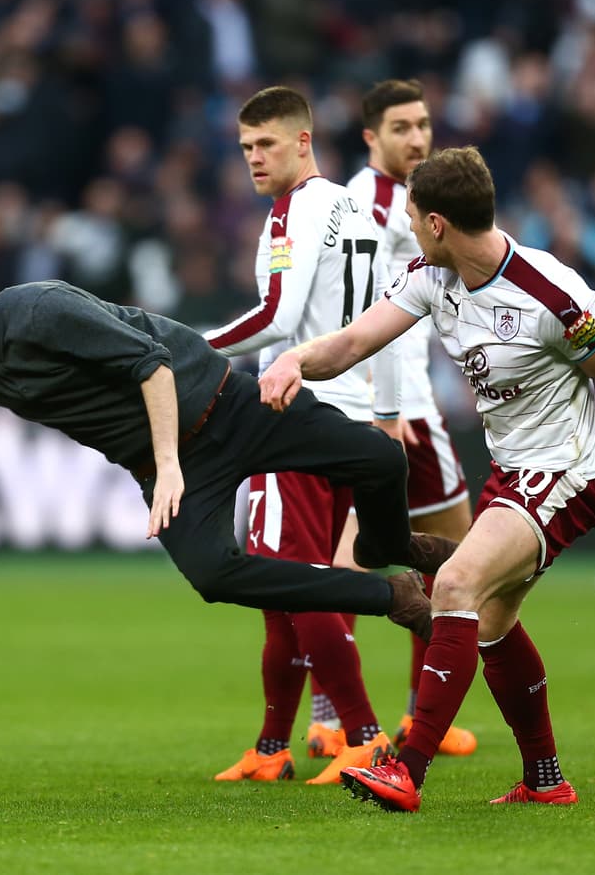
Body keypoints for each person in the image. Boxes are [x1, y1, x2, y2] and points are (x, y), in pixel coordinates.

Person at [259, 146, 595, 812]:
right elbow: (350, 344)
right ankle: (545, 780)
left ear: (436, 223)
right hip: (513, 474)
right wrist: (293, 362)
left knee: (454, 583)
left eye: (410, 216)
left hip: (567, 472)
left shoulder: (553, 294)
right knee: (489, 623)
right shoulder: (432, 277)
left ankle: (407, 770)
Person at [0, 251, 456, 647]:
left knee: (382, 459)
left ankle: (387, 547)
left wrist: (168, 468)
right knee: (214, 575)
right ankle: (394, 596)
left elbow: (152, 367)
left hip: (227, 407)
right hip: (171, 460)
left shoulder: (42, 309)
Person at [201, 85, 403, 786]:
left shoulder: (294, 211)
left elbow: (279, 321)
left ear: (303, 142)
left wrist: (192, 350)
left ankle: (367, 736)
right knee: (284, 589)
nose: (255, 159)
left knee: (300, 585)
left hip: (293, 417)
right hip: (346, 416)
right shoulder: (357, 210)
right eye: (246, 148)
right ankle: (270, 745)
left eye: (267, 145)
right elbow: (382, 318)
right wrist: (385, 409)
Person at [304, 79, 479, 759]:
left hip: (383, 400)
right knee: (452, 557)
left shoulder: (404, 203)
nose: (418, 138)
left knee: (353, 556)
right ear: (371, 135)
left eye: (425, 125)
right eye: (402, 127)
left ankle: (363, 717)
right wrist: (391, 408)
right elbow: (371, 322)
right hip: (393, 405)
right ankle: (381, 717)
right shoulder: (371, 209)